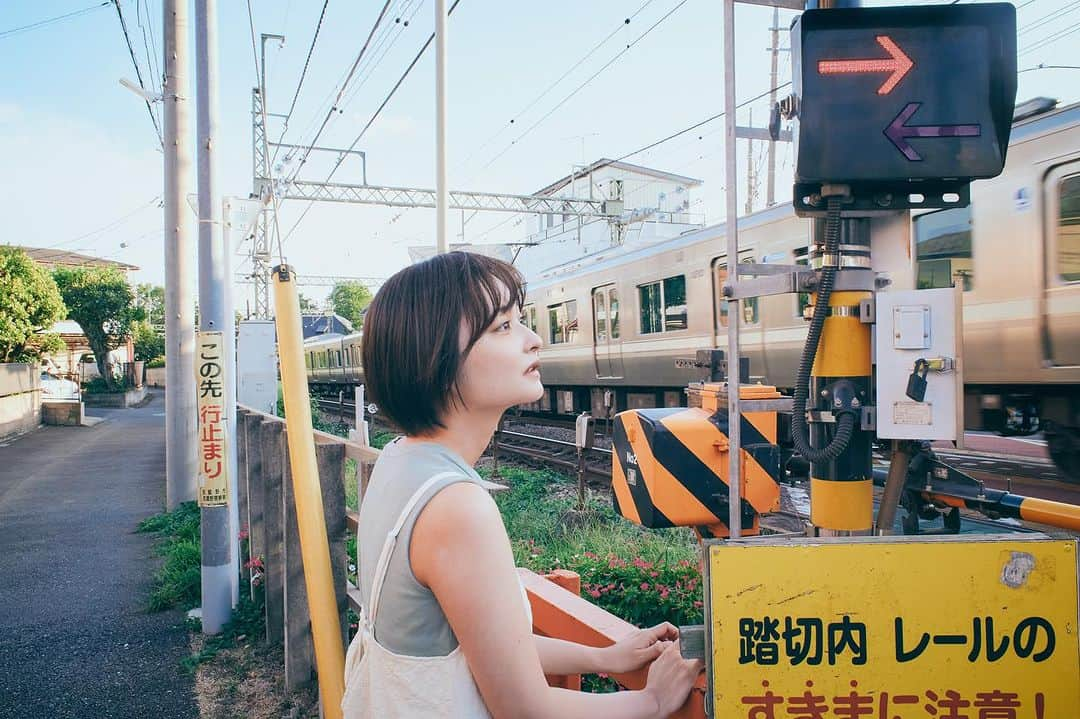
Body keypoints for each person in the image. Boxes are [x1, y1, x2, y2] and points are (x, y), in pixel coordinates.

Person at [344, 251, 702, 718]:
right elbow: (525, 708)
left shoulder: (401, 462)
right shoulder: (457, 507)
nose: (534, 341)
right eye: (504, 327)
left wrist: (601, 658)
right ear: (436, 359)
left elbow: (473, 646)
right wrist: (652, 701)